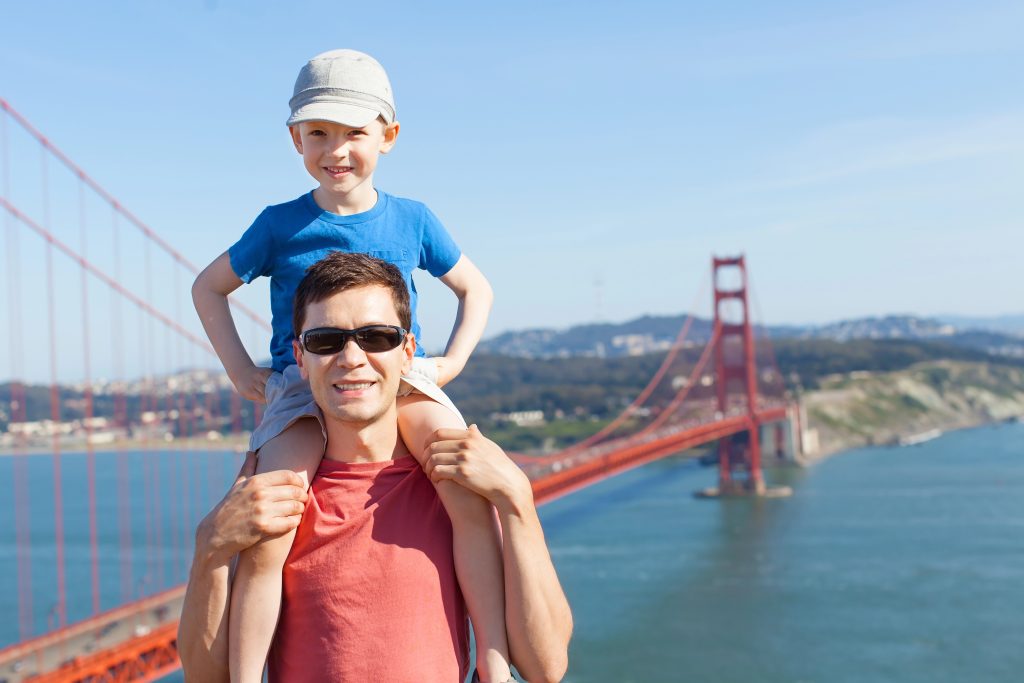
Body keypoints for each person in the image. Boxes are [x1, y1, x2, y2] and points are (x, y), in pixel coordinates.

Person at [191, 50, 507, 681]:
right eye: (318, 134)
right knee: (270, 527)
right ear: (295, 140)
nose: (335, 150)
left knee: (469, 500)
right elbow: (208, 287)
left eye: (354, 133)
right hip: (301, 382)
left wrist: (449, 363)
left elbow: (478, 289)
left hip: (399, 376)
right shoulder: (279, 223)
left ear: (388, 137)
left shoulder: (413, 218)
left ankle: (495, 668)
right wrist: (241, 372)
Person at [179, 252, 572, 682]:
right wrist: (210, 548)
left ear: (408, 353)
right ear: (300, 357)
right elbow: (206, 678)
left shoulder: (454, 479)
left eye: (377, 338)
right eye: (325, 341)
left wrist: (518, 501)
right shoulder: (271, 496)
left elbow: (545, 669)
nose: (351, 358)